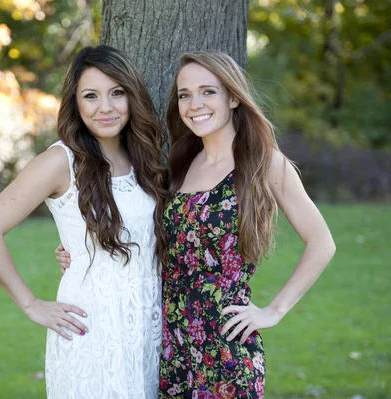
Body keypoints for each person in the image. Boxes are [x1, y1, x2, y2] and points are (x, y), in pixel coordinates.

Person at [56, 51, 336, 398]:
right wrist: (79, 249)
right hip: (169, 346)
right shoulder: (180, 163)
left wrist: (274, 311)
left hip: (225, 348)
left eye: (208, 92)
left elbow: (322, 242)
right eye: (185, 95)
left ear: (233, 97)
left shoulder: (264, 163)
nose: (194, 104)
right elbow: (146, 232)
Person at [0, 45, 169, 398]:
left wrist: (78, 247)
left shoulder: (144, 158)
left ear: (132, 97)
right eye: (91, 96)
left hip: (147, 328)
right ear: (75, 103)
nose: (105, 107)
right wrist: (31, 305)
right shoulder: (61, 161)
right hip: (91, 329)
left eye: (116, 93)